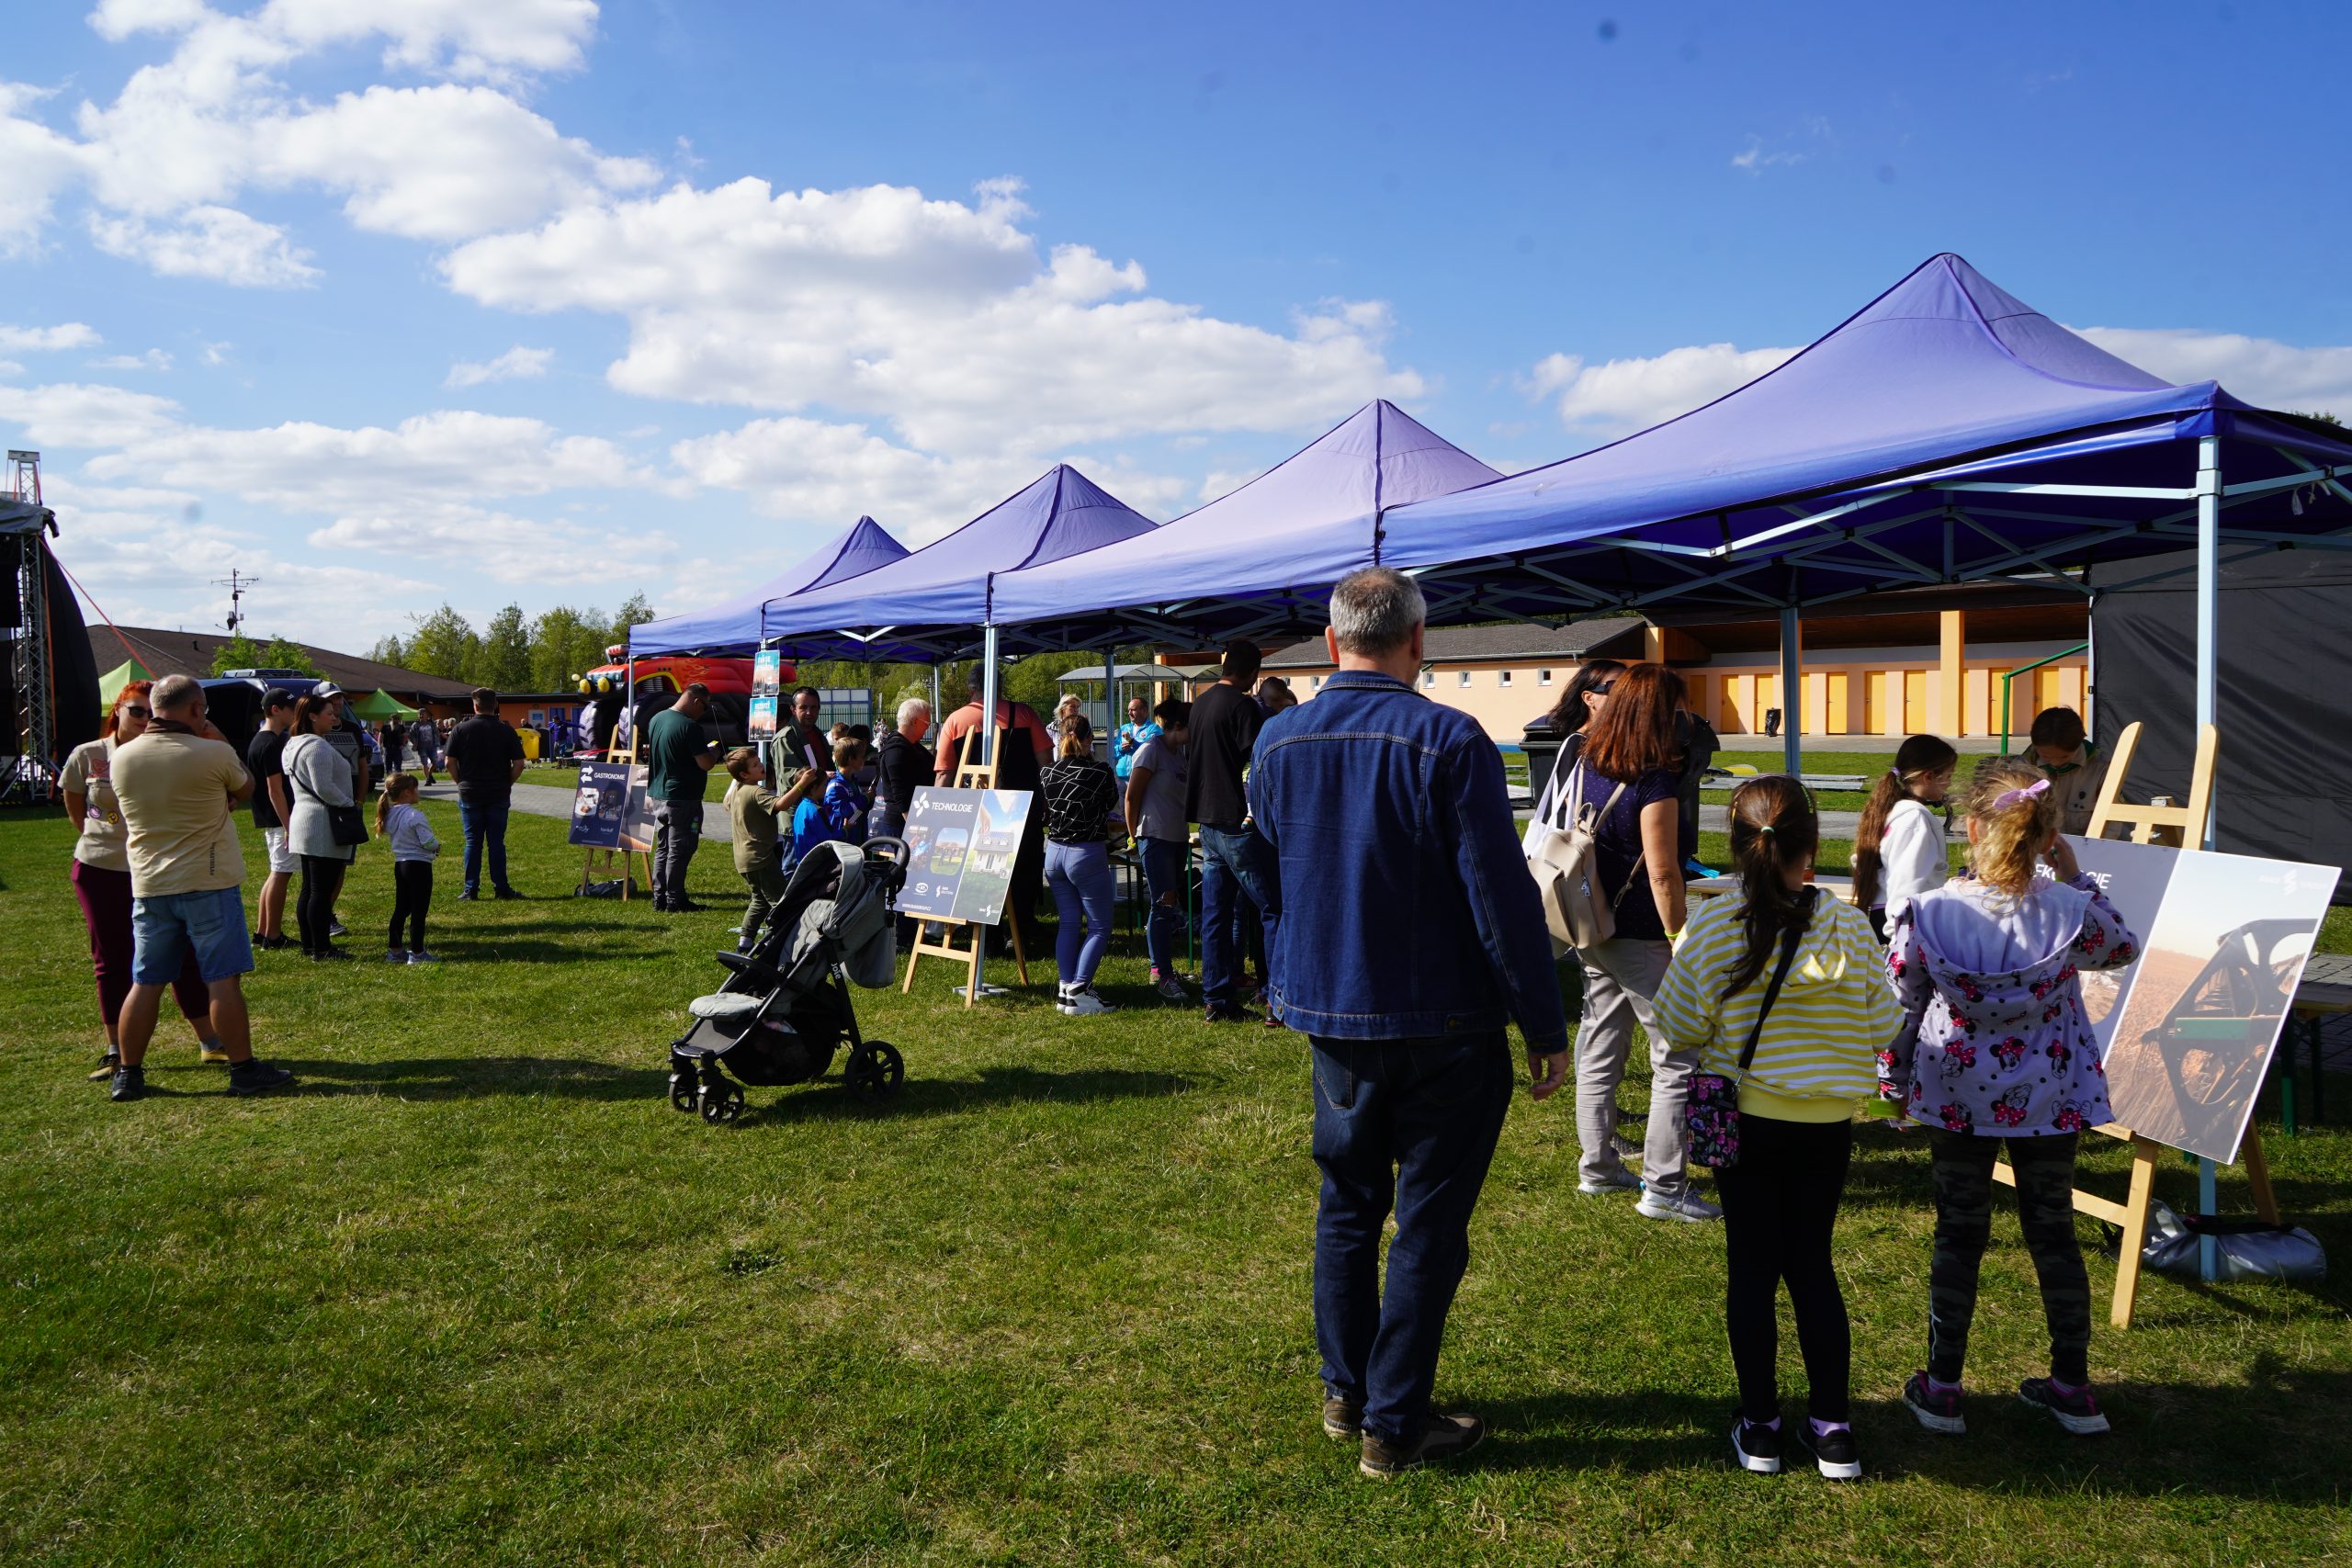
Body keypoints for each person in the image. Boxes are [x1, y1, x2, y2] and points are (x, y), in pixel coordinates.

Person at [1249, 568, 1571, 1478]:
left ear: (1332, 638)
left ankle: (1350, 1392)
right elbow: (1499, 896)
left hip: (1340, 1010)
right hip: (1441, 1022)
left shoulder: (1279, 738)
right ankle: (1387, 1419)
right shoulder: (1447, 738)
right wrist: (1543, 1023)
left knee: (1348, 1206)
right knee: (1423, 1221)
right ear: (1418, 642)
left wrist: (1292, 966)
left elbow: (1265, 865)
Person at [1880, 758, 2141, 1438]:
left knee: (1958, 1233)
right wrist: (2074, 874)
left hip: (1955, 1094)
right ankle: (2073, 1387)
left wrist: (1893, 1083)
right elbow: (2123, 945)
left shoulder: (1930, 912)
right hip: (2050, 1096)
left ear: (1971, 828)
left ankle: (1943, 1386)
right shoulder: (2069, 910)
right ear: (2048, 835)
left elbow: (1901, 1003)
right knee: (2053, 1231)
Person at [1652, 777, 1903, 1481]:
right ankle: (1833, 1429)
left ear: (1735, 846)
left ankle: (1760, 1426)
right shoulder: (1848, 925)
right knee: (1812, 1265)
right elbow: (1886, 1025)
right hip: (1825, 1125)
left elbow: (1676, 1025)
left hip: (1745, 1122)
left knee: (1753, 1269)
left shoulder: (1712, 926)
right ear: (1810, 847)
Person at [1561, 662, 1711, 1222]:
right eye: (1677, 712)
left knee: (1600, 1046)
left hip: (1592, 926)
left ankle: (1598, 1168)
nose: (1684, 722)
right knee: (1677, 1057)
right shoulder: (1653, 781)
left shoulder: (1585, 760)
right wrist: (1678, 937)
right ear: (1656, 715)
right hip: (1642, 935)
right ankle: (1665, 1188)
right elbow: (1663, 872)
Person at [103, 674, 293, 1101]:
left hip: (150, 883)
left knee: (145, 982)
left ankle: (129, 1074)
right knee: (222, 980)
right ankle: (243, 1070)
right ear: (195, 709)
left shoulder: (122, 757)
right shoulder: (214, 752)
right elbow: (245, 787)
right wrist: (216, 739)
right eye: (203, 710)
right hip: (208, 882)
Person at [62, 681, 232, 1081]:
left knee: (185, 955)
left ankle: (210, 1040)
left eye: (150, 712)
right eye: (135, 711)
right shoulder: (89, 754)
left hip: (160, 869)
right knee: (113, 958)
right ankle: (116, 1051)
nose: (144, 718)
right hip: (104, 868)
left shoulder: (174, 751)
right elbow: (74, 802)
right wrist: (98, 838)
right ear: (117, 711)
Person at [1186, 639, 1278, 1023]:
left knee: (1216, 915)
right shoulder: (1243, 707)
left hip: (1207, 821)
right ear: (1254, 673)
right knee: (1273, 909)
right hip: (1238, 823)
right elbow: (1257, 765)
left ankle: (1216, 999)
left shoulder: (1201, 703)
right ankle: (1275, 1000)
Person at [933, 665, 1054, 951]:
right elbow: (1046, 762)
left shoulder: (955, 721)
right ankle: (1022, 928)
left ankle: (986, 933)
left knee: (982, 870)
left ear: (971, 688)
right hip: (1022, 806)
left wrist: (938, 815)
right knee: (1024, 868)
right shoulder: (1024, 713)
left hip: (976, 810)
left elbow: (944, 774)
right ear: (999, 686)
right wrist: (1048, 800)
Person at [1040, 715, 1124, 1016]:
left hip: (1054, 853)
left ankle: (1066, 988)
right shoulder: (1100, 771)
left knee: (1068, 922)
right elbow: (1110, 804)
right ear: (1089, 740)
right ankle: (1079, 989)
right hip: (1085, 852)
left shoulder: (1047, 772)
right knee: (1099, 926)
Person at [1851, 735, 1959, 942]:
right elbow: (1908, 881)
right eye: (1948, 776)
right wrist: (1898, 938)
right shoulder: (1914, 819)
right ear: (1928, 777)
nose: (1949, 783)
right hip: (1900, 924)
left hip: (1888, 917)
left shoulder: (1890, 810)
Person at [283, 690, 359, 960]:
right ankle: (322, 948)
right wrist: (349, 804)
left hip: (304, 820)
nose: (334, 717)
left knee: (310, 888)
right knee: (320, 890)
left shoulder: (293, 744)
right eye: (329, 713)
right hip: (321, 823)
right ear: (313, 717)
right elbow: (324, 787)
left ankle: (310, 945)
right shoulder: (317, 747)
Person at [1125, 698, 1191, 1001]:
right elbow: (1131, 797)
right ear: (1177, 726)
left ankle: (1163, 969)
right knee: (1162, 905)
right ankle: (1161, 973)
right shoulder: (1151, 750)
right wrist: (1133, 837)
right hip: (1154, 837)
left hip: (1176, 838)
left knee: (1168, 905)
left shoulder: (1180, 754)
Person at [721, 748, 814, 953]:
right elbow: (780, 805)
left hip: (744, 860)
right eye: (755, 765)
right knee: (781, 904)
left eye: (759, 761)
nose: (761, 766)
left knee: (759, 900)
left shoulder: (738, 789)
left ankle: (745, 941)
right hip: (761, 859)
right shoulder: (756, 791)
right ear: (744, 774)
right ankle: (777, 944)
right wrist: (802, 784)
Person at [446, 687, 526, 900]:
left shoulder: (460, 729)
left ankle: (470, 889)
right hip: (498, 792)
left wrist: (460, 782)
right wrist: (507, 783)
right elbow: (519, 764)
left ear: (475, 706)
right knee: (496, 842)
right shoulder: (506, 730)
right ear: (495, 705)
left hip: (470, 791)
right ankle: (501, 888)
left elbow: (449, 762)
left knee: (473, 842)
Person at [646, 682, 718, 913]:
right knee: (680, 849)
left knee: (664, 848)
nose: (703, 713)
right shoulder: (689, 726)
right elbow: (705, 763)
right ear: (696, 701)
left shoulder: (657, 719)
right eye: (704, 707)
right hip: (683, 798)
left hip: (659, 795)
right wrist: (714, 752)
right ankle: (674, 899)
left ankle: (659, 897)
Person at [244, 685, 299, 951]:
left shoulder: (261, 739)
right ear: (275, 710)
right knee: (281, 873)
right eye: (291, 709)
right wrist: (289, 826)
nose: (295, 713)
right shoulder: (271, 743)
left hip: (271, 817)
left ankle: (262, 931)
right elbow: (274, 790)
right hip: (278, 818)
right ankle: (273, 936)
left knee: (276, 872)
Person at [377, 772, 440, 964]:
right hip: (419, 866)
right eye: (416, 789)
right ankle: (418, 953)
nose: (418, 792)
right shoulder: (414, 815)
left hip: (401, 865)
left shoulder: (390, 814)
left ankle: (395, 951)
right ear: (407, 792)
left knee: (401, 908)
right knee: (419, 911)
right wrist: (437, 846)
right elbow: (428, 842)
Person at [2018, 706, 2109, 837]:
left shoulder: (2100, 769)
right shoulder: (2021, 769)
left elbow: (2111, 823)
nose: (2055, 763)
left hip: (2085, 847)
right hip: (2036, 847)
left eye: (2064, 756)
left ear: (2080, 743)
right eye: (2046, 756)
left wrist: (2097, 847)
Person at [870, 698, 932, 843]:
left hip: (914, 819)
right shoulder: (896, 750)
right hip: (903, 824)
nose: (927, 728)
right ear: (915, 722)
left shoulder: (911, 745)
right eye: (927, 723)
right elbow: (900, 795)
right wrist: (914, 831)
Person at [1114, 695, 1159, 783]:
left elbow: (1151, 751)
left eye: (1133, 710)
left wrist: (1131, 741)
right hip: (1121, 778)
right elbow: (1113, 752)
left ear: (1144, 711)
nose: (1129, 713)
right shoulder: (1124, 728)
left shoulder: (1154, 729)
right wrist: (1120, 748)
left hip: (1142, 778)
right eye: (1128, 710)